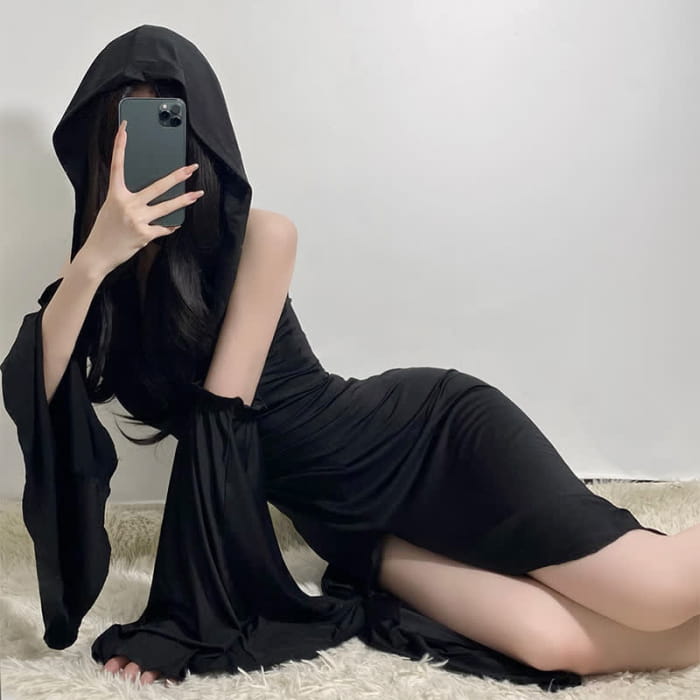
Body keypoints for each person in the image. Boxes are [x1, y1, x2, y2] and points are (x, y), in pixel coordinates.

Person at [2, 24, 698, 692]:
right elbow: (38, 383)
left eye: (166, 123)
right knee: (551, 643)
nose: (143, 153)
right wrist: (95, 259)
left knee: (657, 592)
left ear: (201, 138)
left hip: (430, 441)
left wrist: (182, 620)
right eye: (123, 131)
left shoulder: (262, 238)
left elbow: (221, 423)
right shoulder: (96, 281)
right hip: (350, 527)